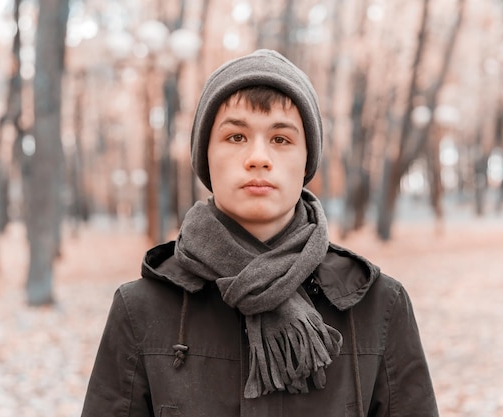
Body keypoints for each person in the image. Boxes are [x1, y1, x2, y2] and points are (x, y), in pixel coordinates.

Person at [81, 49, 438, 417]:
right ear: (206, 156)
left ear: (306, 161)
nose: (258, 157)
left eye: (281, 139)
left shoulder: (377, 305)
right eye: (235, 137)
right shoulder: (142, 308)